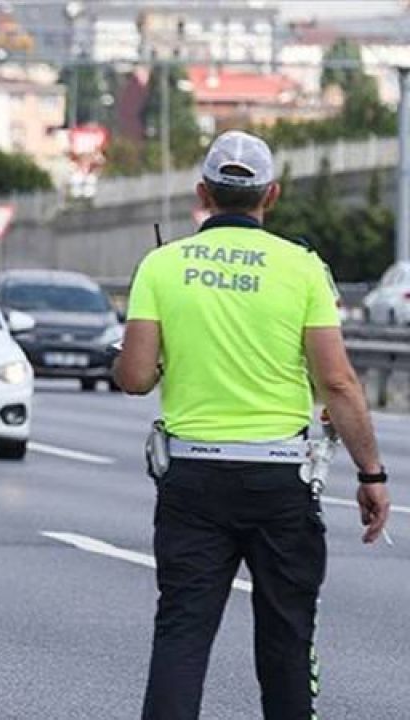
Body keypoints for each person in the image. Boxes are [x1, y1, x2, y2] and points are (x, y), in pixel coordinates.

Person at [116, 130, 392, 719]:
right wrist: (372, 472)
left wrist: (156, 355)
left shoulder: (162, 265)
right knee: (286, 639)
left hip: (192, 477)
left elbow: (136, 377)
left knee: (183, 634)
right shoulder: (302, 268)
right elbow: (338, 383)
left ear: (202, 193)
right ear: (271, 194)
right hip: (278, 482)